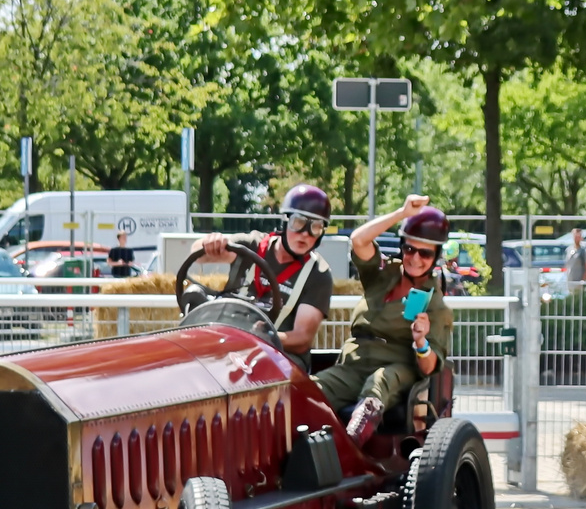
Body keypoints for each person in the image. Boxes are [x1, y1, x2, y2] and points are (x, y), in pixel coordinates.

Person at [313, 193, 452, 447]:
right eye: (409, 248)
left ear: (435, 258)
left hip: (397, 365)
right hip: (354, 363)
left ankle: (353, 444)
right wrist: (402, 213)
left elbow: (431, 367)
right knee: (311, 390)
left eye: (425, 253)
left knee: (379, 381)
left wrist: (421, 341)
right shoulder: (383, 275)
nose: (415, 258)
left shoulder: (434, 304)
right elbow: (358, 240)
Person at [191, 183, 336, 368]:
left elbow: (301, 339)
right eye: (298, 222)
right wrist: (209, 244)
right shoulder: (251, 245)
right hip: (227, 343)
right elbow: (196, 255)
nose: (305, 234)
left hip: (280, 356)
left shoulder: (318, 274)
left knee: (252, 370)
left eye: (315, 228)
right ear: (285, 221)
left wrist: (259, 338)